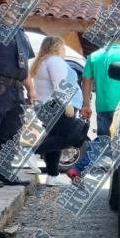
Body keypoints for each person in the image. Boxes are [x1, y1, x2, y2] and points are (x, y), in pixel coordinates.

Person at [0, 0, 36, 188]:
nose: (10, 9)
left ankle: (3, 171)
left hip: (16, 91)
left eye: (14, 6)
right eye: (5, 5)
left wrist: (30, 89)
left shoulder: (21, 34)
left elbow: (25, 65)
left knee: (12, 133)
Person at [68, 33, 120, 180]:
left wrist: (86, 105)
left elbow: (86, 82)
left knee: (103, 139)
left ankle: (78, 170)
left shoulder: (94, 56)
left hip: (103, 106)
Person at [28, 36, 82, 186]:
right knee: (68, 137)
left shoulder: (43, 61)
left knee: (54, 137)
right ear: (56, 47)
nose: (64, 50)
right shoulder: (55, 61)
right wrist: (68, 104)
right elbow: (60, 85)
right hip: (56, 106)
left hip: (47, 106)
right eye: (63, 47)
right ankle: (32, 152)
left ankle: (52, 176)